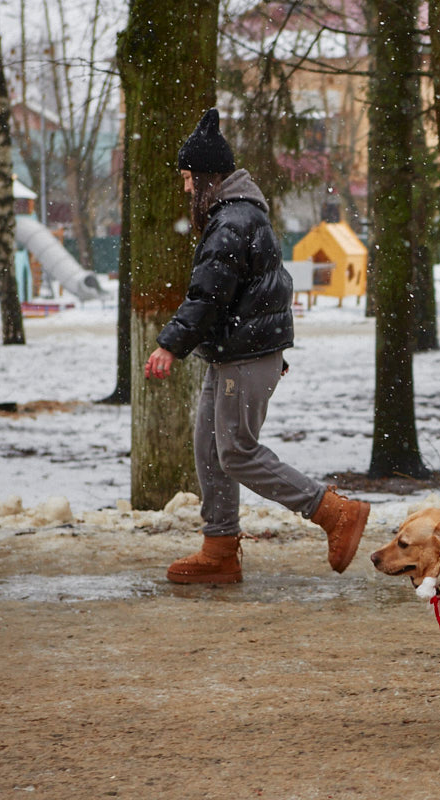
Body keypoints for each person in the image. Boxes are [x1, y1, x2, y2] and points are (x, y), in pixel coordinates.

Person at [144, 108, 369, 584]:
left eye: (188, 179)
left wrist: (170, 345)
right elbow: (265, 288)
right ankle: (219, 548)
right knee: (210, 447)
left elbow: (209, 294)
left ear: (207, 177)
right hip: (236, 352)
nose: (186, 189)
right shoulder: (239, 215)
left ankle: (332, 512)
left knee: (238, 452)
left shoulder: (231, 221)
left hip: (244, 356)